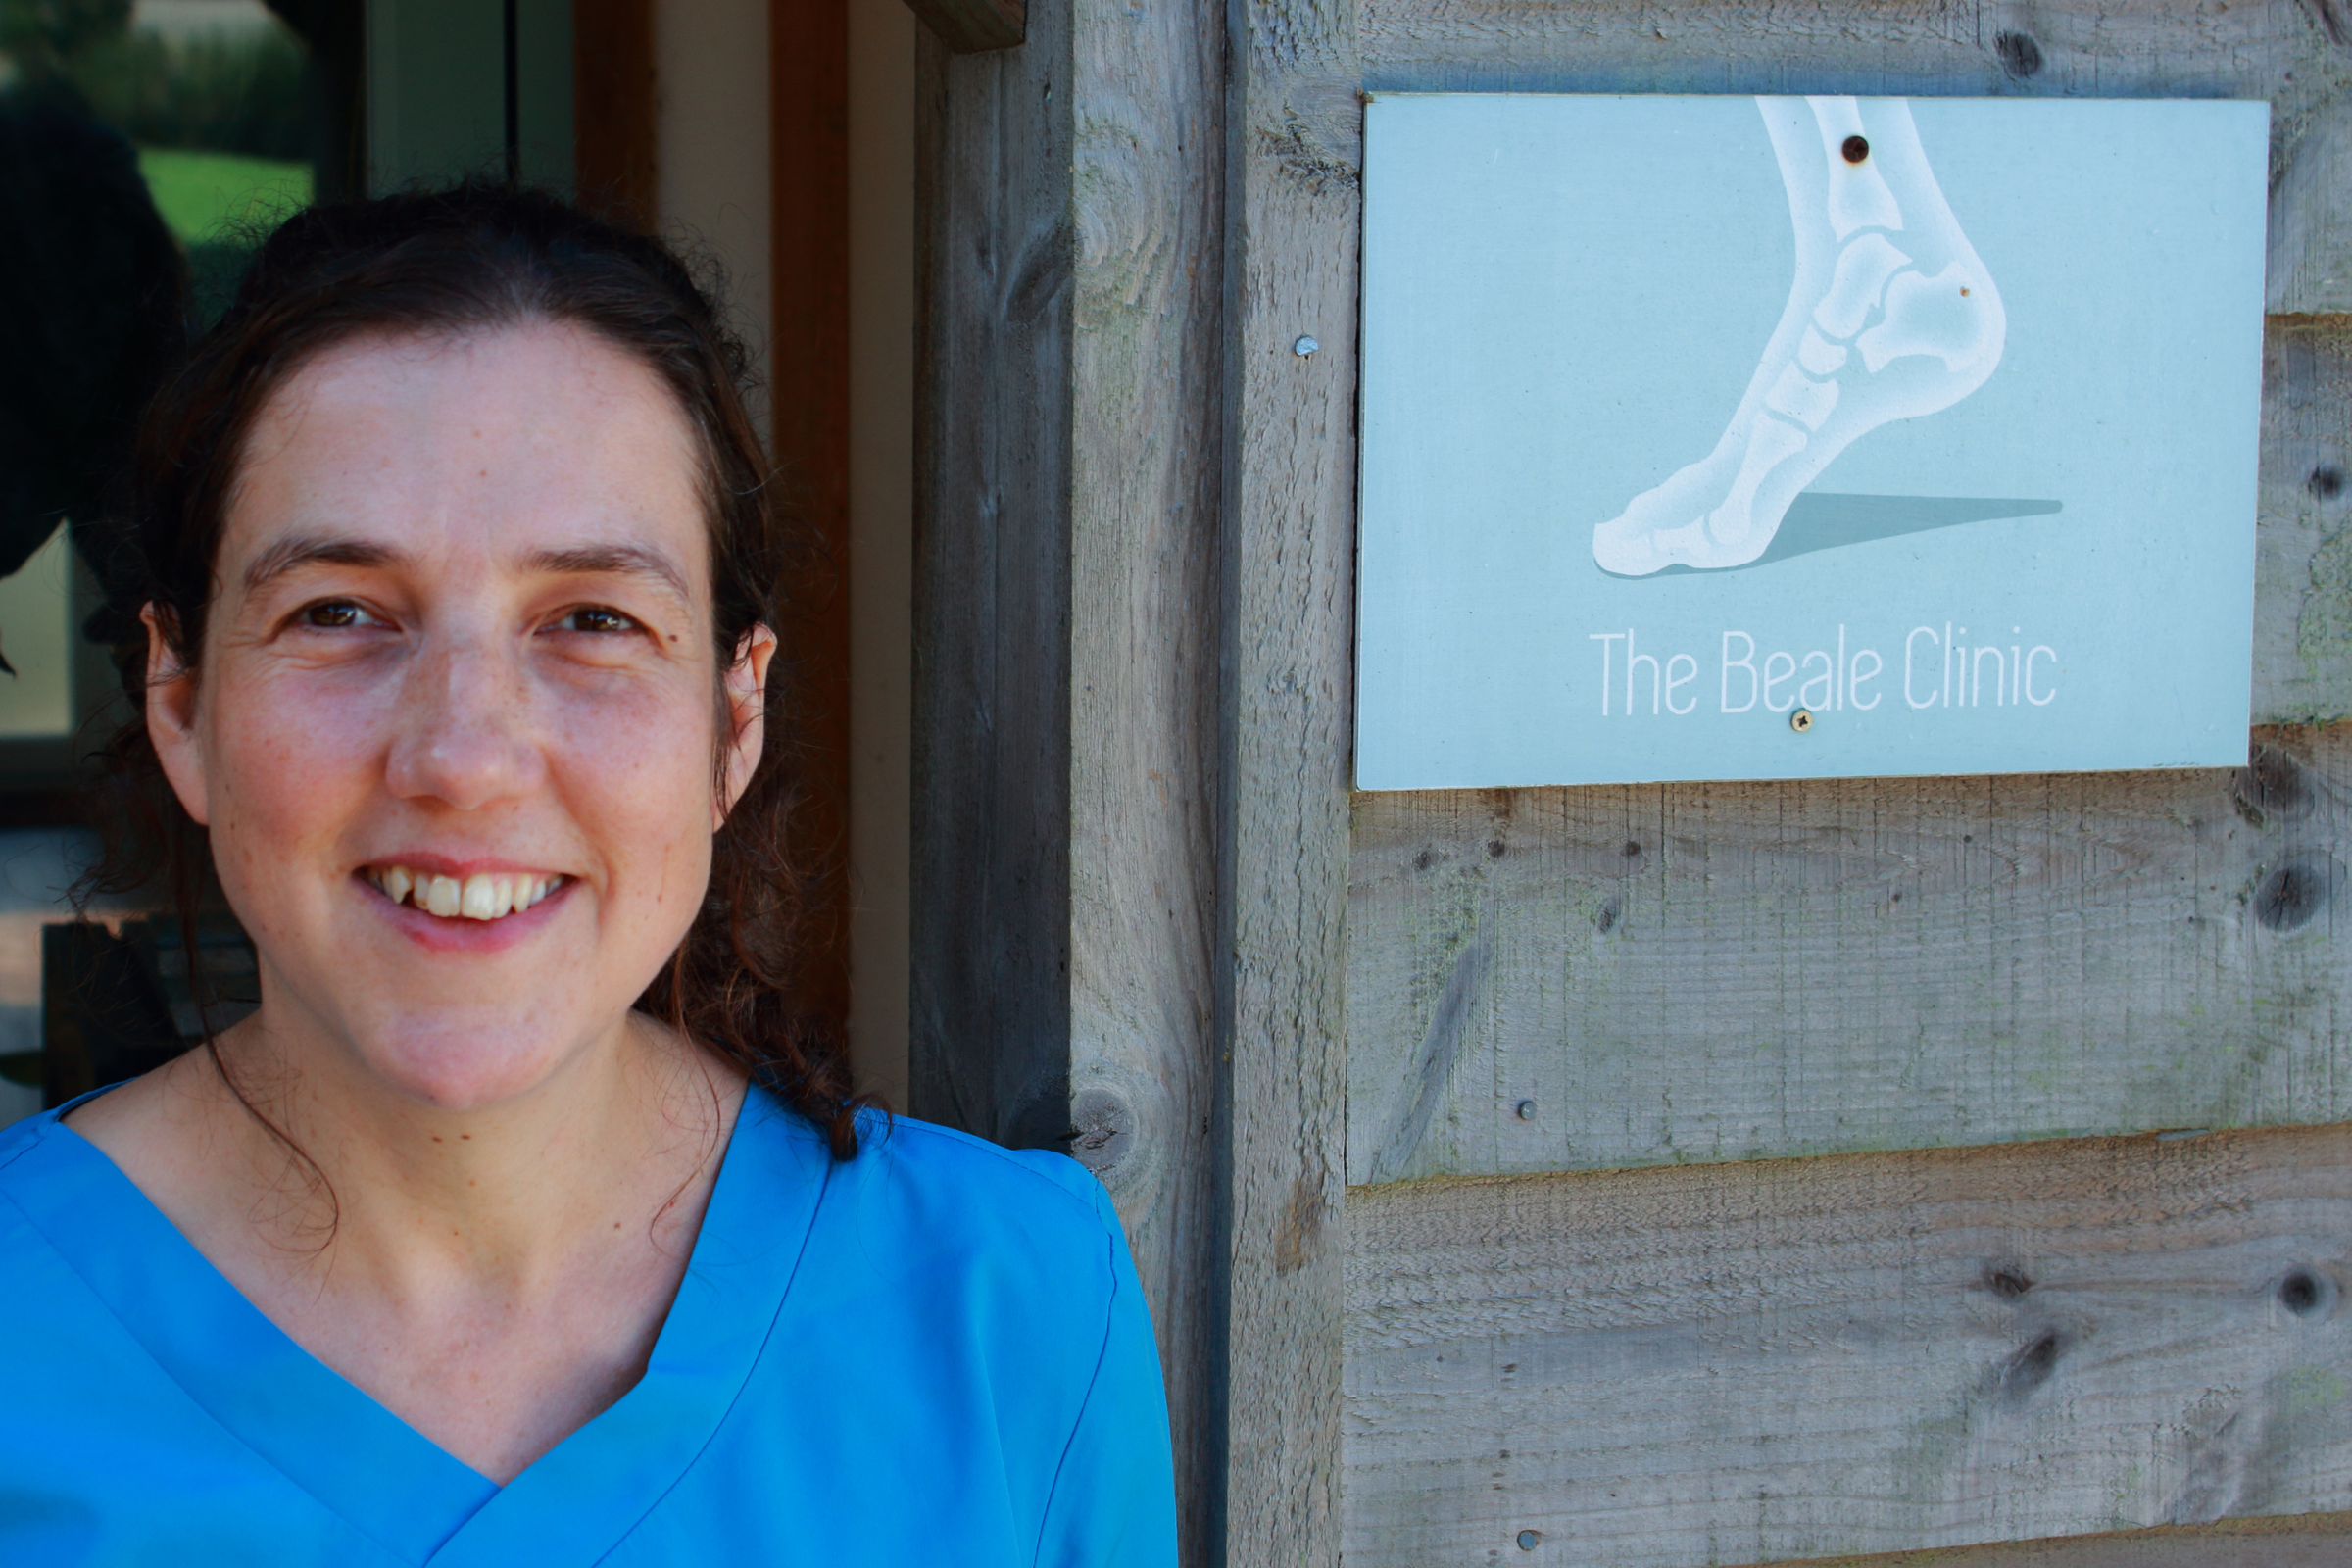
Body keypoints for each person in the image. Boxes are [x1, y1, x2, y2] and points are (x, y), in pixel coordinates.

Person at [0, 186, 1177, 1565]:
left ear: (732, 720)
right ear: (181, 698)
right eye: (339, 612)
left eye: (593, 621)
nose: (466, 756)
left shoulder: (1011, 1307)